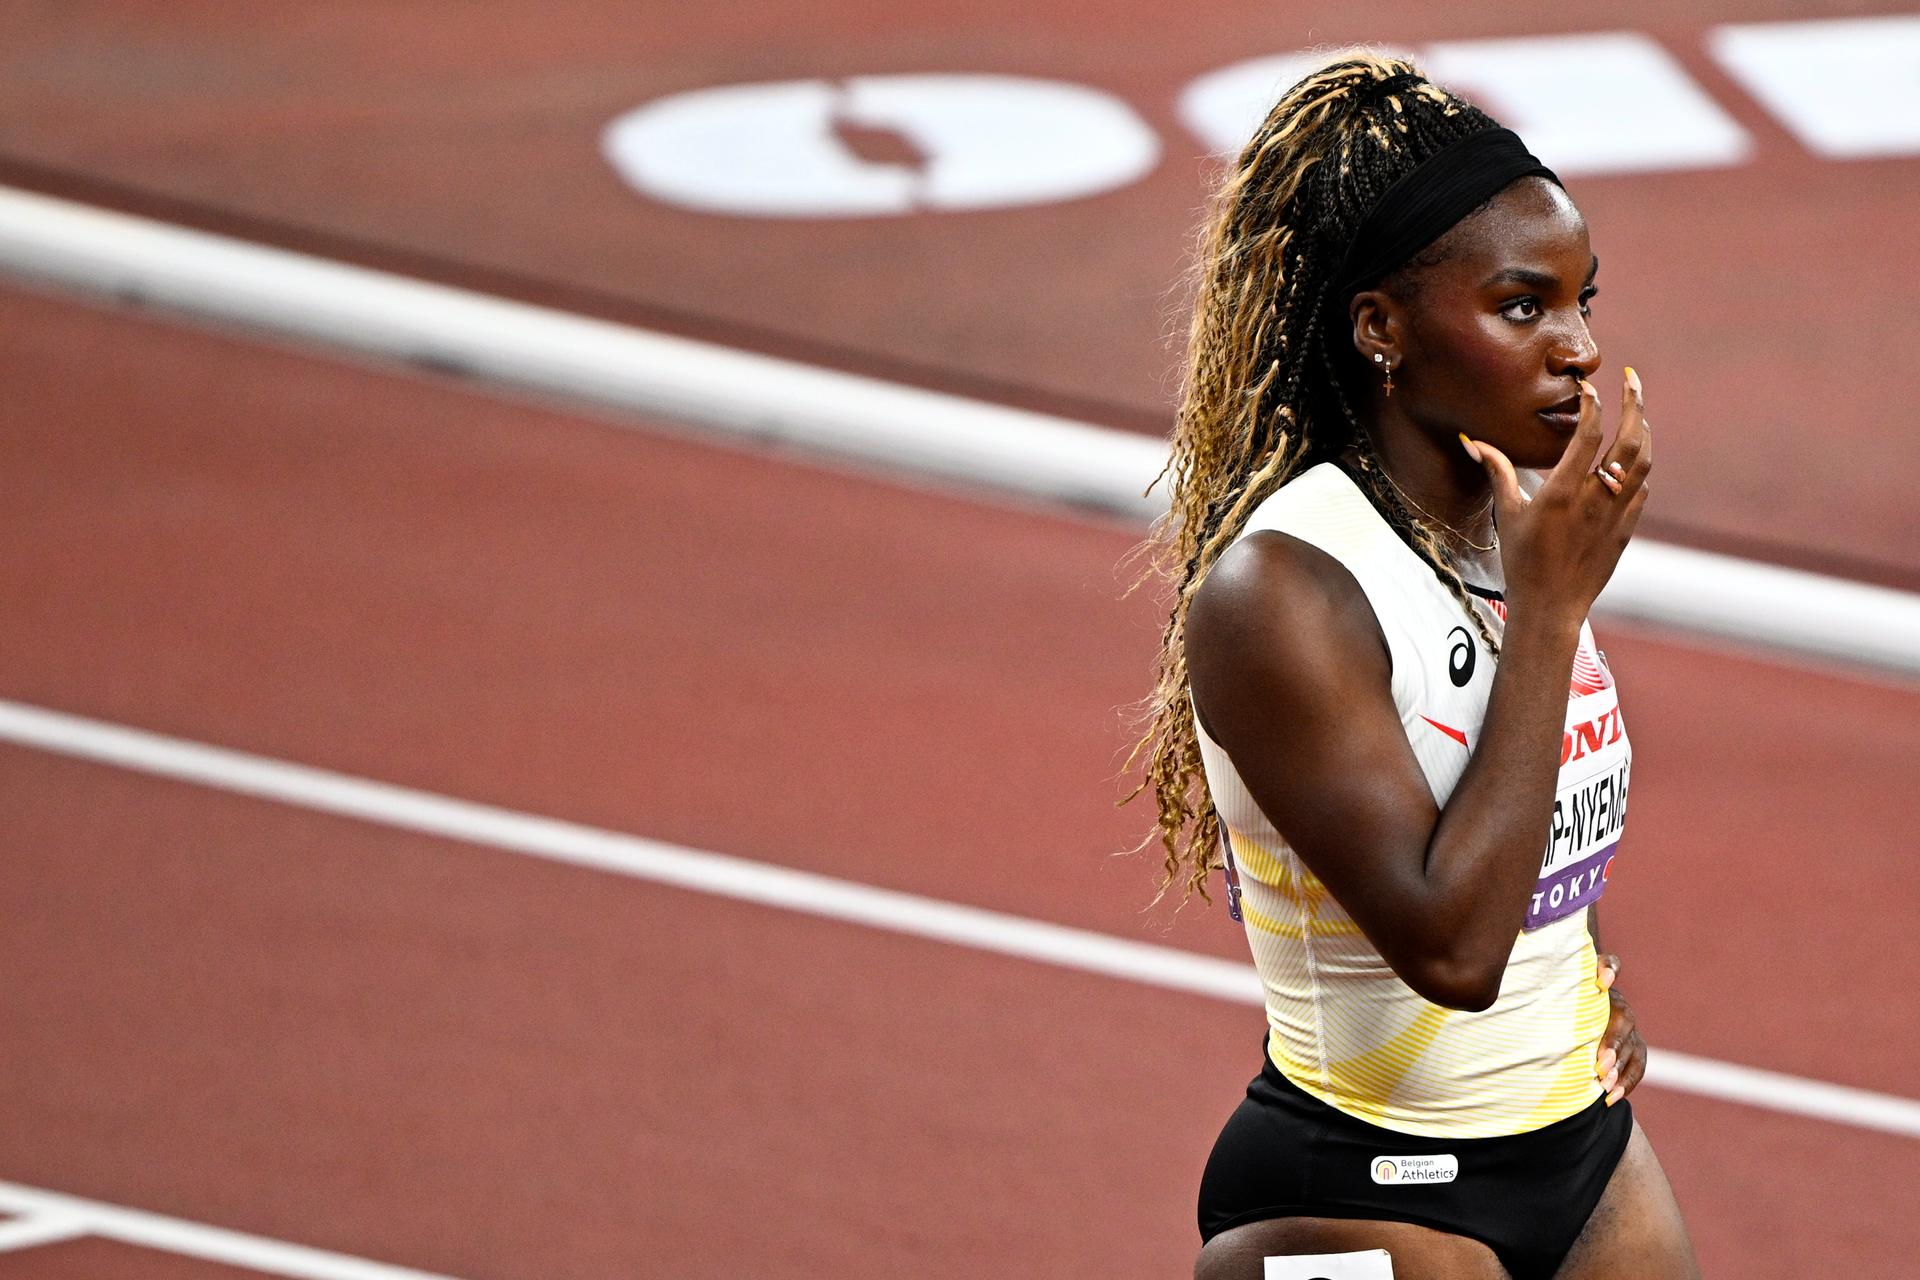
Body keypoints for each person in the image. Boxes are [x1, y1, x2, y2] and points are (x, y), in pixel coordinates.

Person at [1125, 53, 1700, 1279]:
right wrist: (1550, 615)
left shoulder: (1507, 529)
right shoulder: (1284, 589)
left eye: (1583, 301)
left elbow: (1520, 807)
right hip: (1362, 1190)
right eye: (1522, 307)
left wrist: (1583, 969)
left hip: (1583, 1155)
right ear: (1381, 327)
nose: (1579, 349)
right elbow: (1452, 950)